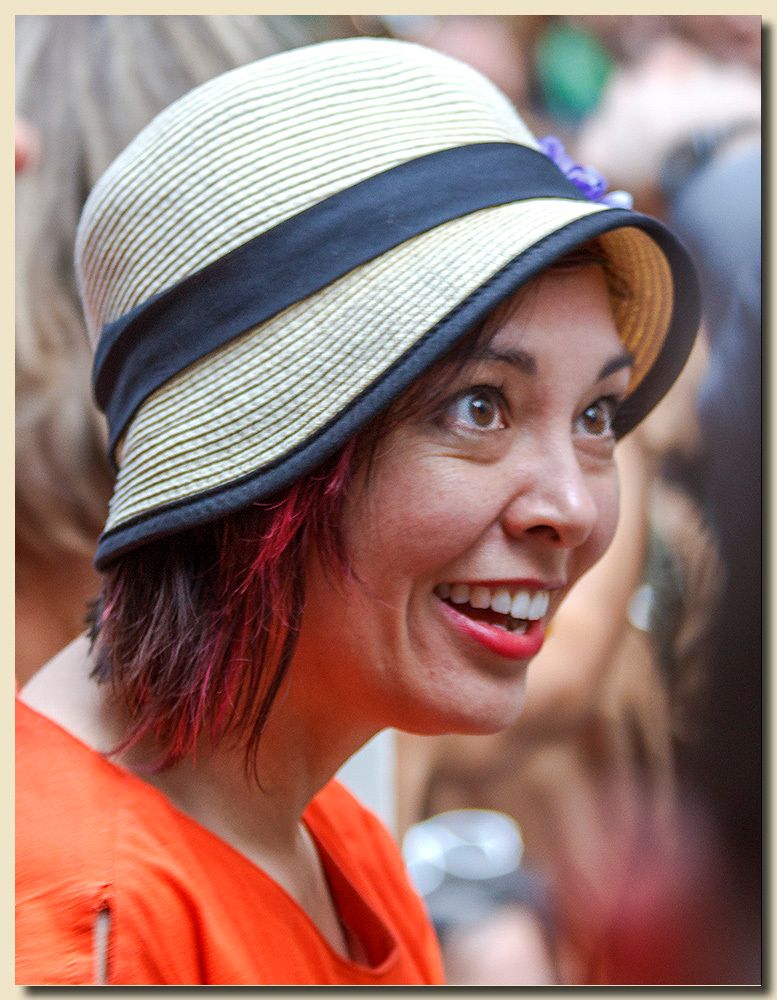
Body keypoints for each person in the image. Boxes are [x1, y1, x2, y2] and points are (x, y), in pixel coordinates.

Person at [15, 36, 699, 985]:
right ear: (258, 454)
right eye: (480, 407)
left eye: (594, 415)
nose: (573, 508)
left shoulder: (322, 834)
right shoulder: (90, 929)